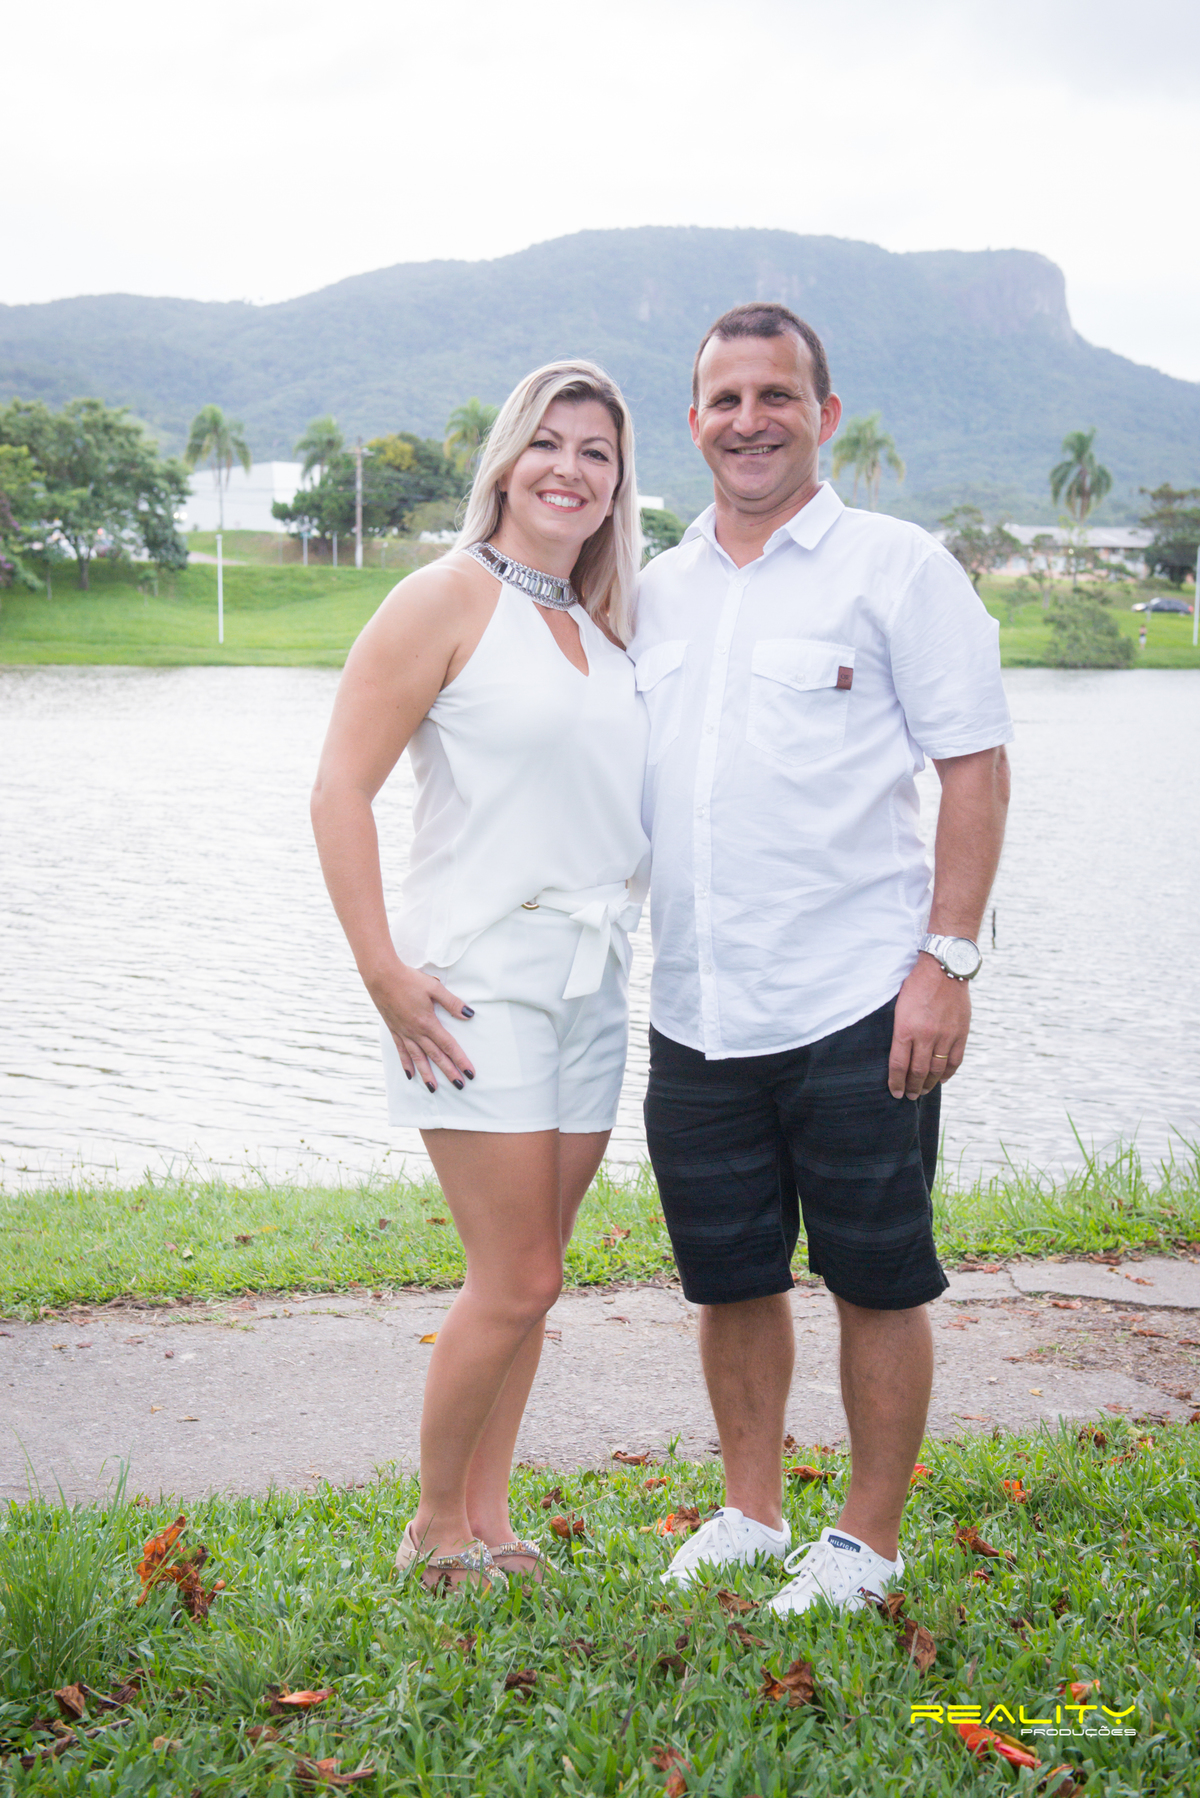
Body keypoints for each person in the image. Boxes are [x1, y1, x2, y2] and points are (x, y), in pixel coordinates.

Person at [630, 303, 1012, 1615]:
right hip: (696, 1006)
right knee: (729, 1275)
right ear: (695, 421)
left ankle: (866, 1539)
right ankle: (751, 1511)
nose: (751, 421)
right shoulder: (655, 588)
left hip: (862, 1000)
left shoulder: (898, 567)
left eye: (776, 395)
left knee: (876, 1275)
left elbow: (974, 766)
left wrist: (946, 961)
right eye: (726, 399)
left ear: (825, 413)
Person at [311, 361, 649, 1590]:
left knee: (534, 1279)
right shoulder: (443, 597)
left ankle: (492, 1520)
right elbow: (338, 790)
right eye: (547, 442)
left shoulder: (607, 628)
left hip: (593, 984)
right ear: (506, 460)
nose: (570, 468)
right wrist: (382, 971)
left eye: (597, 452)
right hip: (475, 986)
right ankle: (434, 1527)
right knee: (517, 1275)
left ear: (617, 484)